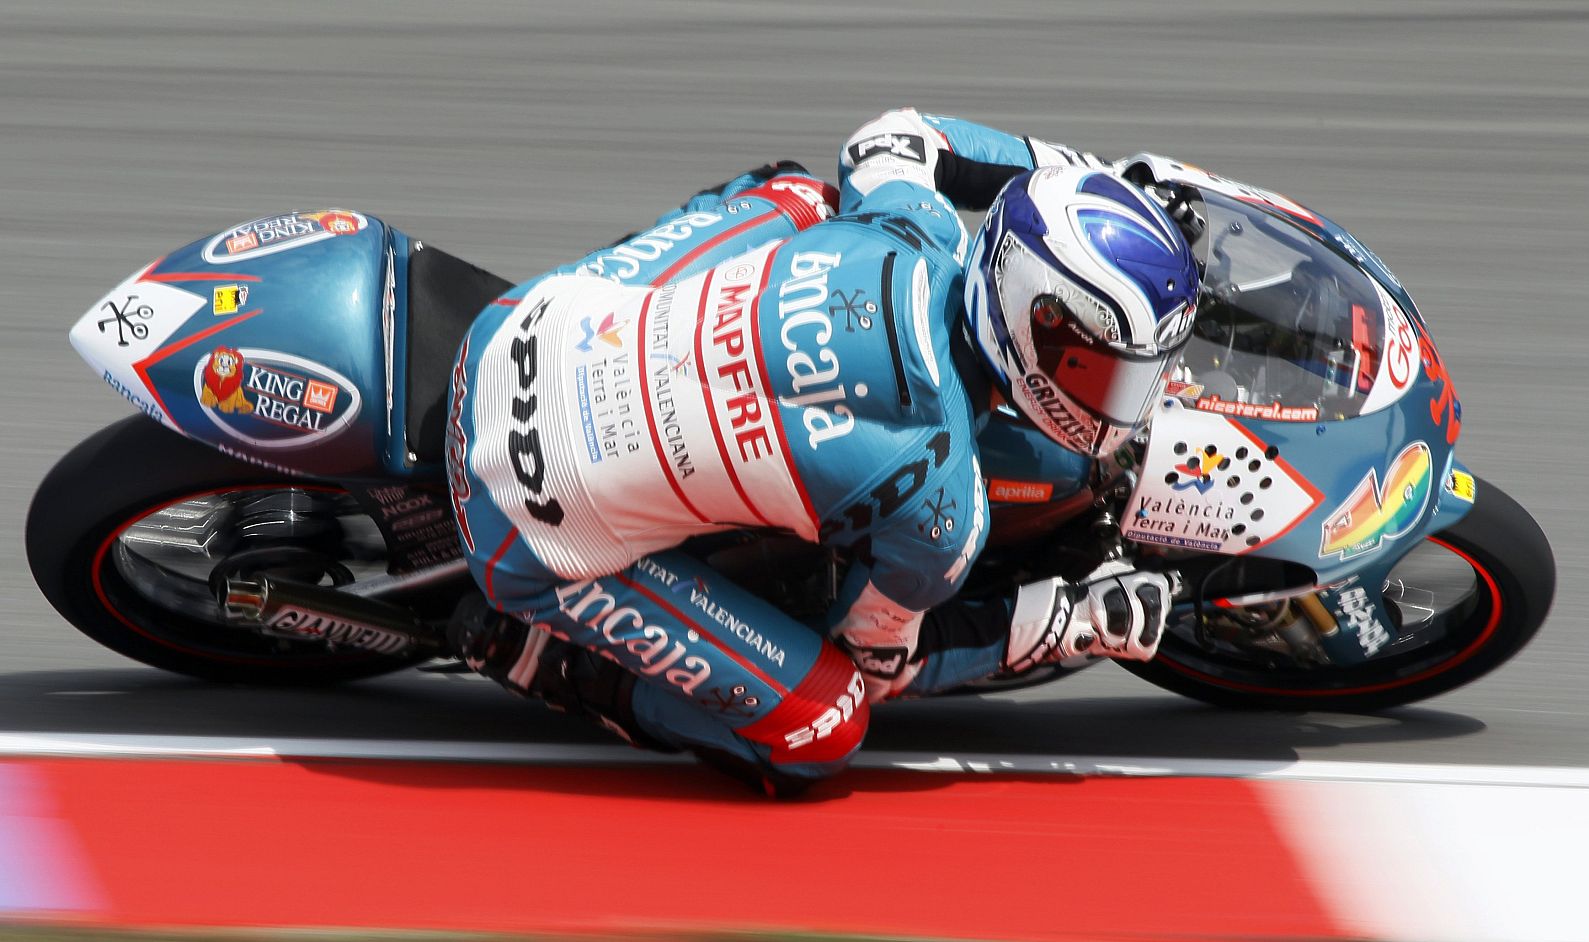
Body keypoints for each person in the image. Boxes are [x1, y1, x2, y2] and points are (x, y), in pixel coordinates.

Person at [446, 108, 1199, 795]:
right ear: (1037, 330)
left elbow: (892, 139)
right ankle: (550, 662)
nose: (1123, 403)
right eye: (1105, 373)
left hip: (516, 327)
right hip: (522, 525)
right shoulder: (944, 506)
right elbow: (881, 666)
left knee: (803, 197)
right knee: (827, 722)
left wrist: (1075, 173)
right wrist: (1063, 621)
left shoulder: (911, 224)